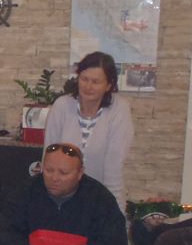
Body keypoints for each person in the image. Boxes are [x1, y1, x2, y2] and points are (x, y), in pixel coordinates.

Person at [0, 142, 128, 245]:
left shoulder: (99, 198)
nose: (54, 178)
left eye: (64, 173)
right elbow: (2, 232)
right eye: (49, 170)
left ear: (80, 173)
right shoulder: (26, 191)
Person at [44, 51, 134, 208]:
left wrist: (114, 211)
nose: (88, 86)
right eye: (84, 79)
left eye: (95, 82)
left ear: (109, 85)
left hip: (99, 199)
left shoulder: (119, 110)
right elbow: (49, 158)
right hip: (61, 198)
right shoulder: (62, 106)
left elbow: (114, 170)